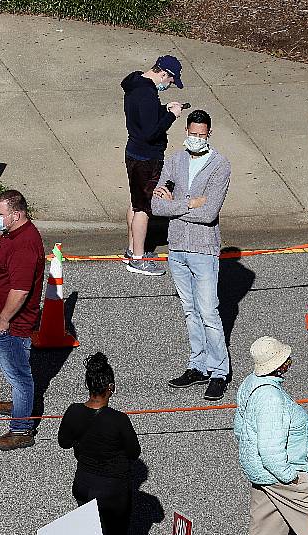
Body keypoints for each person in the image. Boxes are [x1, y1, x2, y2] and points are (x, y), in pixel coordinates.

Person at [151, 109, 232, 400]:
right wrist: (190, 203)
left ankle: (219, 370)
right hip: (176, 248)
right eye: (192, 133)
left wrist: (177, 203)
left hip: (203, 249)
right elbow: (156, 206)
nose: (197, 138)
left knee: (209, 312)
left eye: (202, 134)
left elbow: (210, 213)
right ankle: (197, 365)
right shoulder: (174, 160)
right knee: (190, 311)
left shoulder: (220, 165)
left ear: (209, 133)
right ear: (185, 130)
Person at [233, 336, 308, 535]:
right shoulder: (271, 399)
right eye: (285, 357)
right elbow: (270, 450)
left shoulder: (250, 382)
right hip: (281, 474)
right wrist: (291, 478)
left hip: (261, 474)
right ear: (279, 365)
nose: (289, 359)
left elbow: (239, 427)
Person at [0, 189, 46, 451]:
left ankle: (21, 429)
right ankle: (20, 405)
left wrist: (4, 319)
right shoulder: (14, 234)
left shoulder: (24, 245)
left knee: (19, 375)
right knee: (15, 369)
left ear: (16, 215)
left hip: (11, 325)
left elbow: (20, 290)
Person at [57, 353, 141, 535]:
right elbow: (134, 452)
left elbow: (64, 443)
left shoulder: (73, 411)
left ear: (89, 385)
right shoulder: (119, 420)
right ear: (110, 387)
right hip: (114, 491)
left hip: (84, 484)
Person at [120, 55, 185, 276]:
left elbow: (144, 118)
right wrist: (171, 117)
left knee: (135, 201)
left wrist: (164, 109)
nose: (169, 85)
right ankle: (138, 259)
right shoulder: (148, 94)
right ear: (164, 74)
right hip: (147, 158)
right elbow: (150, 132)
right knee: (144, 208)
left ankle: (131, 250)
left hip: (133, 153)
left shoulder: (136, 83)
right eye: (170, 82)